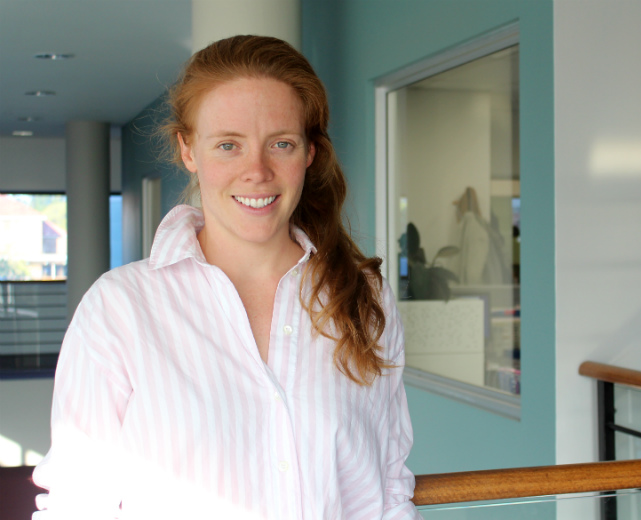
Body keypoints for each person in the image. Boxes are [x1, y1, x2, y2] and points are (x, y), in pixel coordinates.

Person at [33, 35, 421, 519]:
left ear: (310, 154)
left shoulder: (363, 298)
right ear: (189, 149)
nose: (256, 171)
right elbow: (77, 503)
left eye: (281, 143)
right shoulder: (120, 309)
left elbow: (385, 494)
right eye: (228, 145)